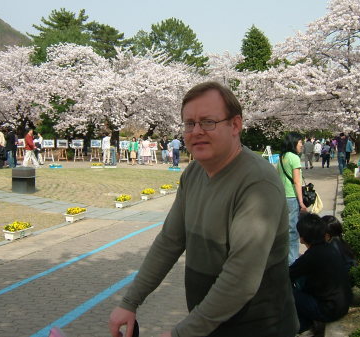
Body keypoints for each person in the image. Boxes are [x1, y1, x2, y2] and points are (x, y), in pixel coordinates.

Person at [109, 81, 298, 337]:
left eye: (208, 122)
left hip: (258, 326)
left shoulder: (257, 182)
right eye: (189, 123)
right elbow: (170, 242)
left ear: (235, 125)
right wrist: (130, 302)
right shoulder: (194, 173)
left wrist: (182, 333)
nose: (196, 131)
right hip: (209, 324)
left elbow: (240, 280)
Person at [290, 214, 352, 335]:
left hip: (328, 310)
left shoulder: (312, 255)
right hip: (342, 305)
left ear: (302, 238)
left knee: (287, 292)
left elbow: (287, 275)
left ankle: (297, 326)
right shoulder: (330, 248)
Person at [277, 132, 308, 265]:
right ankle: (293, 262)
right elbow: (297, 181)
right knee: (293, 231)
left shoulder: (281, 157)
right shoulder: (294, 158)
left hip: (282, 197)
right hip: (291, 197)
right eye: (300, 142)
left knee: (285, 229)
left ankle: (286, 258)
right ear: (294, 142)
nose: (302, 145)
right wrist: (301, 202)